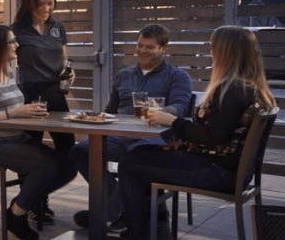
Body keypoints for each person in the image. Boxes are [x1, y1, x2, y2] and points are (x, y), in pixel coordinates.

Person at [116, 25, 277, 239]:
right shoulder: (250, 87)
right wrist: (182, 143)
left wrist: (173, 121)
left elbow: (212, 136)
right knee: (143, 155)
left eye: (213, 48)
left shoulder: (233, 90)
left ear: (225, 53)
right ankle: (157, 230)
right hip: (228, 168)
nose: (210, 52)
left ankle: (138, 233)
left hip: (218, 173)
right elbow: (220, 135)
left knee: (130, 163)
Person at [68, 24, 192, 234]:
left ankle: (108, 212)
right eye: (139, 45)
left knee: (133, 158)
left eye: (150, 47)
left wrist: (162, 112)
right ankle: (117, 206)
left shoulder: (178, 77)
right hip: (119, 135)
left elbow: (179, 107)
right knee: (80, 151)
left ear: (164, 48)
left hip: (154, 139)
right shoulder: (124, 75)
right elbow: (110, 111)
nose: (142, 51)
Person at [0, 24, 76, 240]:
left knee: (69, 164)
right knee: (48, 164)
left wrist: (29, 112)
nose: (17, 44)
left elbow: (12, 110)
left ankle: (17, 209)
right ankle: (17, 216)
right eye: (11, 42)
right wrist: (15, 112)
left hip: (15, 138)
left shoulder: (8, 72)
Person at [9, 0, 72, 224]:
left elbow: (63, 59)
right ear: (29, 4)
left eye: (51, 3)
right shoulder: (16, 31)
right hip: (29, 94)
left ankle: (39, 193)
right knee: (30, 151)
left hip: (56, 93)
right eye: (41, 4)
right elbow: (0, 61)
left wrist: (69, 73)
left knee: (67, 149)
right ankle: (33, 202)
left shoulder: (58, 28)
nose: (46, 9)